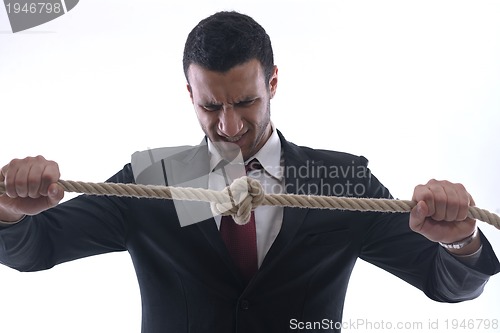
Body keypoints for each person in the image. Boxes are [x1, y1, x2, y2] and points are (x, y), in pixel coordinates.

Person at [0, 11, 498, 333]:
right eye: (212, 105)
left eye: (246, 101)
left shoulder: (340, 181)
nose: (230, 124)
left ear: (273, 83)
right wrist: (8, 213)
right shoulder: (155, 177)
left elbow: (448, 284)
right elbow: (36, 248)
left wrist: (460, 241)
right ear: (189, 93)